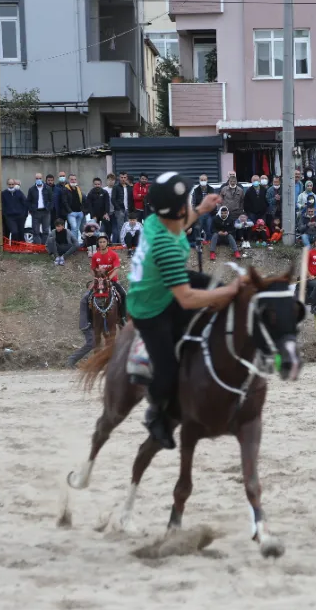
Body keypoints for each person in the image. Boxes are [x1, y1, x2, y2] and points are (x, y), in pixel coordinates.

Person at [127, 172, 240, 449]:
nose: (189, 203)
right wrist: (230, 291)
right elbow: (187, 299)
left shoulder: (156, 220)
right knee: (167, 374)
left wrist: (201, 210)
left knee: (213, 286)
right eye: (187, 201)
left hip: (164, 281)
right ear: (177, 209)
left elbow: (180, 224)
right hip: (151, 306)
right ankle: (156, 415)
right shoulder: (163, 246)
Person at [82, 234, 127, 326]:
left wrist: (109, 279)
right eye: (100, 242)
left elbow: (117, 268)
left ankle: (123, 317)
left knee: (123, 294)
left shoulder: (113, 254)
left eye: (104, 242)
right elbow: (92, 269)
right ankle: (89, 321)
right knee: (86, 298)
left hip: (112, 281)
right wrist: (96, 277)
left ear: (107, 243)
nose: (102, 244)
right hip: (99, 282)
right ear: (98, 243)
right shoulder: (95, 256)